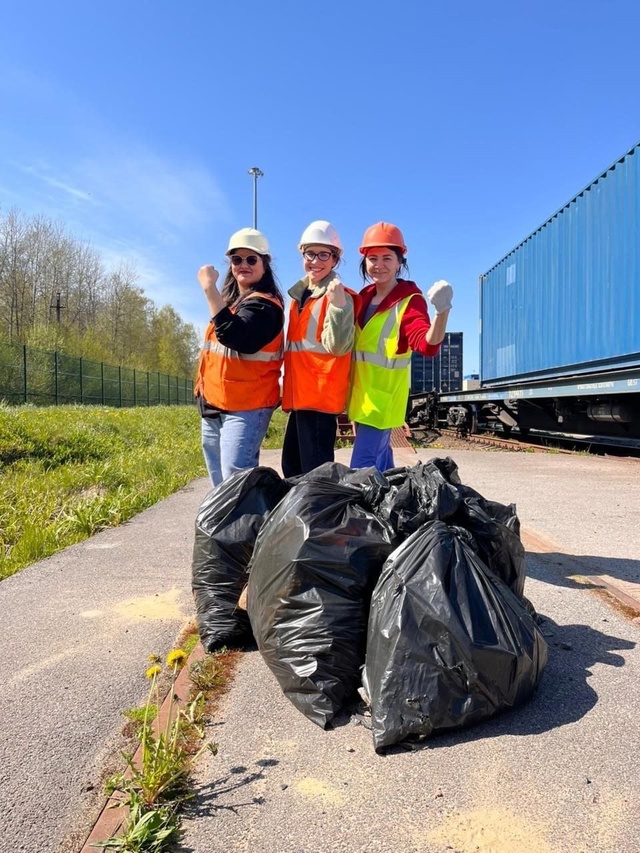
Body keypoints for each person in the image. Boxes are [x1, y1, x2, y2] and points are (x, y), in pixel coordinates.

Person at [347, 221, 453, 472]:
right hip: (360, 401)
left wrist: (442, 312)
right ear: (364, 261)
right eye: (373, 258)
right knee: (384, 468)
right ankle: (396, 508)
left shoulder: (409, 302)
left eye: (387, 258)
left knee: (361, 472)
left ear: (399, 262)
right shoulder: (362, 299)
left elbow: (427, 346)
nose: (379, 265)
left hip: (381, 404)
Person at [194, 227, 285, 486]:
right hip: (214, 404)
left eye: (251, 259)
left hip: (246, 407)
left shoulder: (266, 305)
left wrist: (209, 289)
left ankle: (246, 527)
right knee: (220, 484)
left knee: (236, 482)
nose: (243, 265)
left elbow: (236, 336)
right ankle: (224, 527)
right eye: (236, 259)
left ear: (265, 264)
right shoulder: (233, 304)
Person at [281, 220, 358, 477]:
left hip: (319, 399)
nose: (316, 260)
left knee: (316, 476)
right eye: (310, 254)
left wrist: (338, 307)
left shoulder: (338, 296)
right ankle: (301, 516)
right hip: (300, 398)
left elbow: (338, 346)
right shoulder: (299, 297)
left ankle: (319, 518)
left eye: (324, 254)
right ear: (302, 255)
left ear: (335, 259)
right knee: (292, 469)